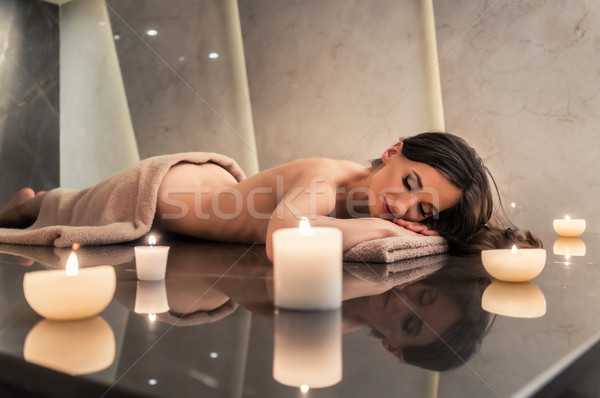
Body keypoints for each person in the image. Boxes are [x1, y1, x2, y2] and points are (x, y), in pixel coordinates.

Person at [0, 132, 541, 258]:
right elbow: (286, 237)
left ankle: (37, 197)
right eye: (408, 184)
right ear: (393, 149)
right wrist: (381, 229)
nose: (403, 209)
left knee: (67, 199)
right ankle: (29, 202)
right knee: (67, 208)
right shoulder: (330, 181)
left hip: (214, 188)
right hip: (163, 188)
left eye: (423, 212)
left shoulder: (370, 195)